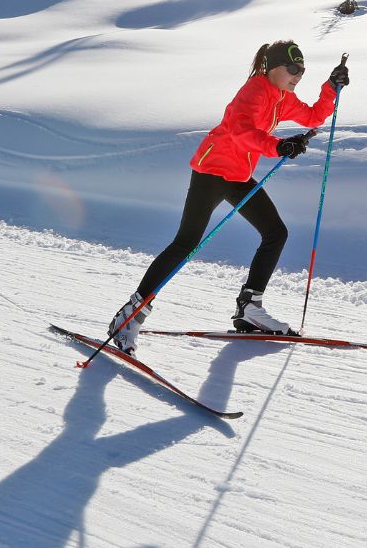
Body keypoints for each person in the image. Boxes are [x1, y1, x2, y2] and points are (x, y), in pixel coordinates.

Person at [106, 40, 350, 353]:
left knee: (276, 233)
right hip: (211, 170)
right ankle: (129, 317)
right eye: (292, 68)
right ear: (272, 68)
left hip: (237, 176)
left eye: (301, 69)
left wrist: (332, 86)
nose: (297, 74)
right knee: (186, 243)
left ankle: (250, 308)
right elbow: (240, 131)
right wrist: (278, 146)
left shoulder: (283, 97)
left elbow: (315, 116)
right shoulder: (254, 91)